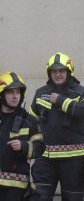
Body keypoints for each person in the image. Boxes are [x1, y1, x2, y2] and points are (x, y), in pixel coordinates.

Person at [29, 52, 84, 201]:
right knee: (38, 198)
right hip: (45, 160)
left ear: (69, 71)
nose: (58, 74)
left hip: (73, 161)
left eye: (61, 71)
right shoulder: (41, 93)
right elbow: (31, 122)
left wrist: (61, 101)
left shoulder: (81, 92)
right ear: (49, 73)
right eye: (54, 71)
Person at [0, 71, 44, 200]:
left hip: (16, 190)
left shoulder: (29, 121)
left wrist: (24, 146)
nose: (15, 96)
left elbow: (40, 147)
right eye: (10, 92)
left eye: (18, 92)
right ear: (2, 94)